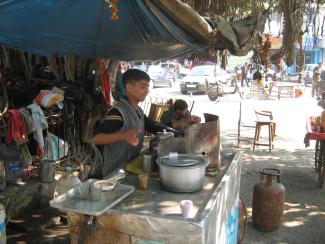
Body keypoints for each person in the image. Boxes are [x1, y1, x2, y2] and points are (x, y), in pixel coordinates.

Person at [92, 69, 164, 178]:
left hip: (131, 169)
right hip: (115, 174)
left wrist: (179, 124)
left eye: (147, 87)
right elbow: (96, 138)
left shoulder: (138, 111)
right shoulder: (118, 112)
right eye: (143, 87)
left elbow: (153, 126)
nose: (147, 91)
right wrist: (123, 136)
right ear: (129, 87)